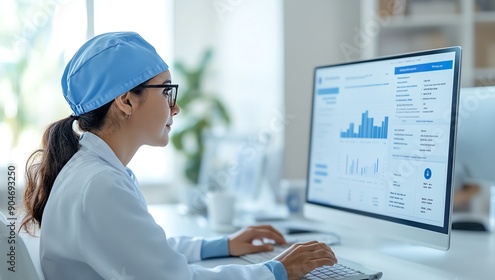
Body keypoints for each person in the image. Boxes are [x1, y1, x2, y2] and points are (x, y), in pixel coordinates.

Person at [20, 32, 336, 280]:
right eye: (166, 91)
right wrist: (276, 271)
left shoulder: (96, 172)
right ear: (126, 101)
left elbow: (143, 252)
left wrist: (221, 245)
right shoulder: (100, 185)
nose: (175, 107)